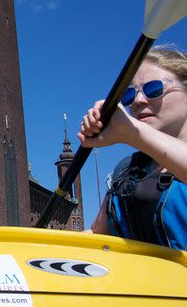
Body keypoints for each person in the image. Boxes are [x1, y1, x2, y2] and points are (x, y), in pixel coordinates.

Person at [78, 45, 187, 250]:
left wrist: (133, 133)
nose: (137, 101)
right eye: (129, 95)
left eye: (153, 89)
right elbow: (95, 235)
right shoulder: (127, 172)